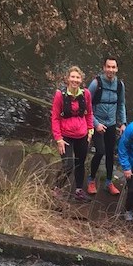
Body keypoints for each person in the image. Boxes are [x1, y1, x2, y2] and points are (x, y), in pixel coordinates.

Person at [51, 66, 94, 202]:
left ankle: (79, 191)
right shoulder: (60, 95)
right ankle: (56, 188)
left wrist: (90, 130)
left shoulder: (85, 94)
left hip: (82, 135)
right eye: (73, 77)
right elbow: (55, 117)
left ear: (81, 80)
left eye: (78, 77)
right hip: (66, 136)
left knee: (80, 163)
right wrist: (58, 138)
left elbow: (89, 113)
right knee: (68, 165)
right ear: (68, 79)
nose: (75, 80)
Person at [87, 56, 127, 196]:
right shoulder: (95, 83)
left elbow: (121, 104)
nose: (110, 70)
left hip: (111, 124)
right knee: (99, 151)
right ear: (104, 68)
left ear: (116, 69)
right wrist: (96, 124)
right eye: (108, 67)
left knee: (111, 153)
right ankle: (91, 179)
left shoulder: (119, 85)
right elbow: (87, 105)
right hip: (97, 123)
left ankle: (109, 182)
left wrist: (123, 123)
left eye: (113, 67)